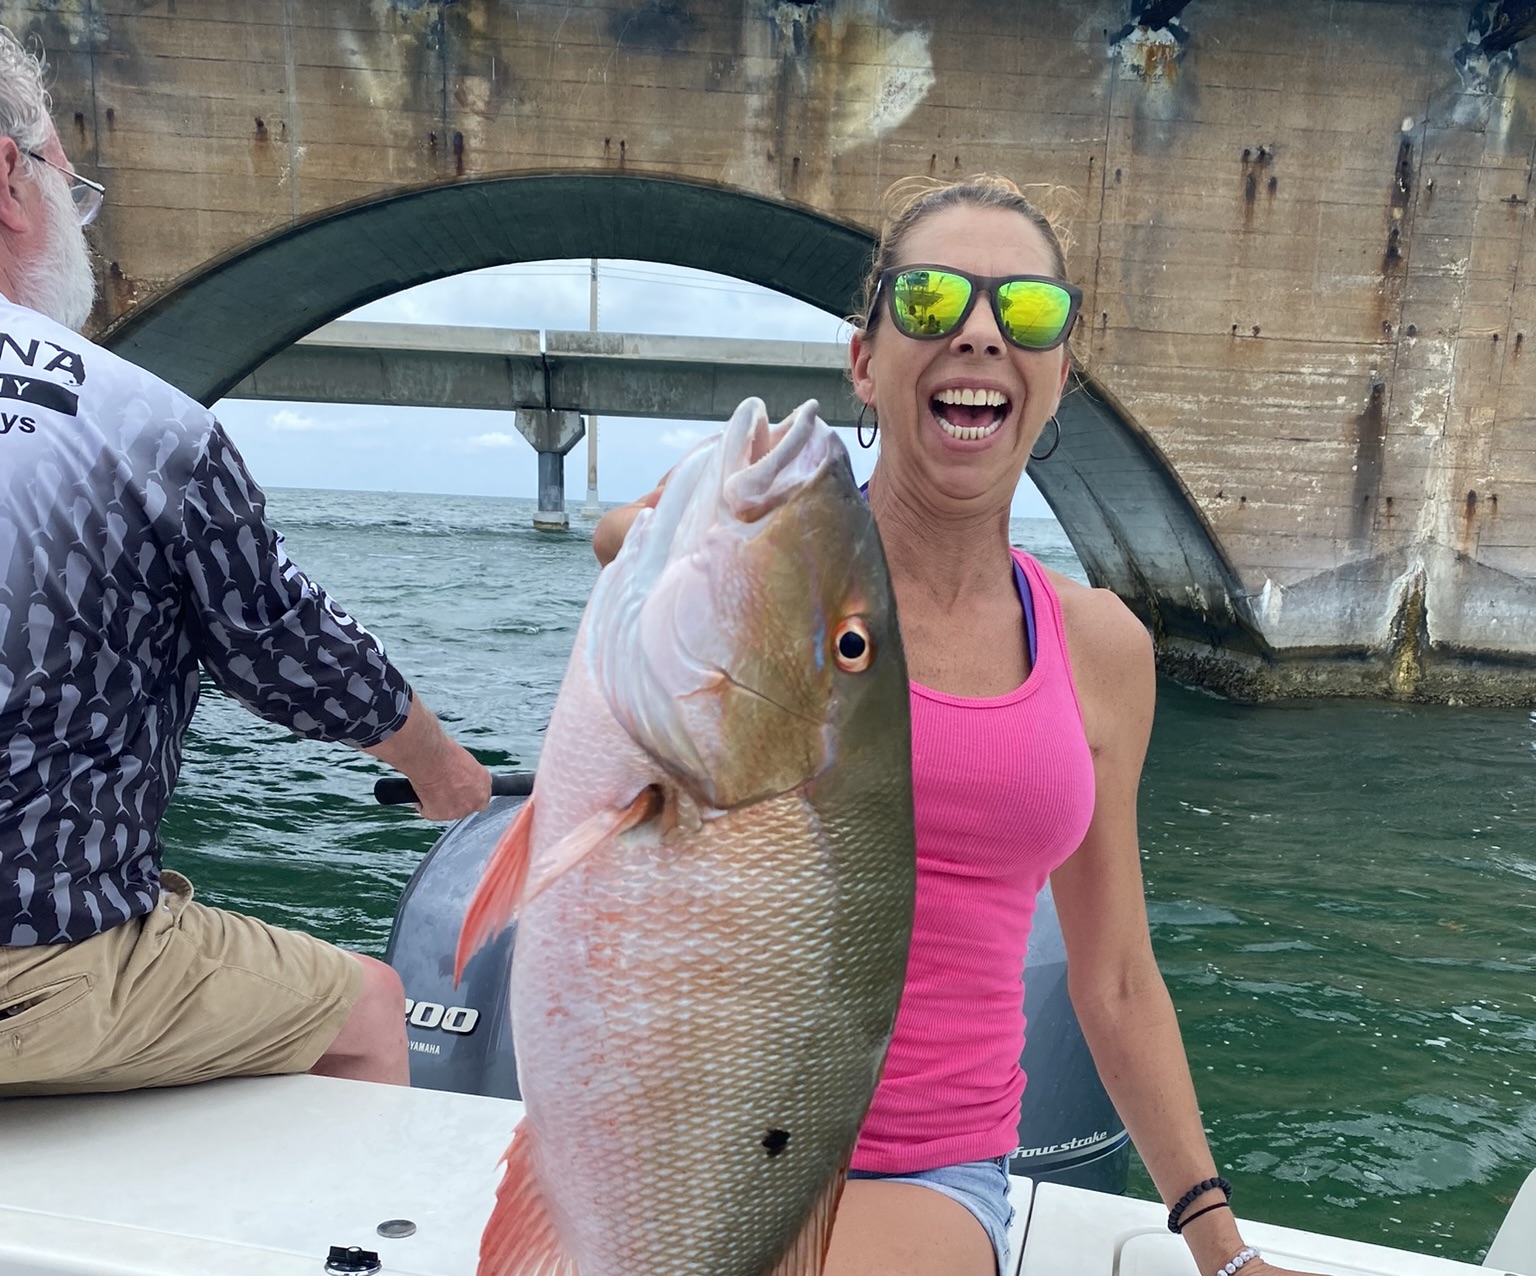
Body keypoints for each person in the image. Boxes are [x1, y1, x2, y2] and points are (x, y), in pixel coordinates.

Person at [594, 175, 1317, 1276]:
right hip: (694, 1118)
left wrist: (1223, 1247)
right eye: (930, 301)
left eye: (1026, 310)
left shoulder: (1100, 647)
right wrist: (697, 530)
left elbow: (1115, 975)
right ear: (864, 363)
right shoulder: (765, 580)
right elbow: (618, 544)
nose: (979, 331)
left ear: (1058, 376)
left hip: (922, 1166)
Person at [0, 28, 491, 1097]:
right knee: (367, 1006)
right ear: (7, 174)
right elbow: (280, 644)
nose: (81, 219)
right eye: (69, 187)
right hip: (29, 977)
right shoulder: (141, 427)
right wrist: (442, 769)